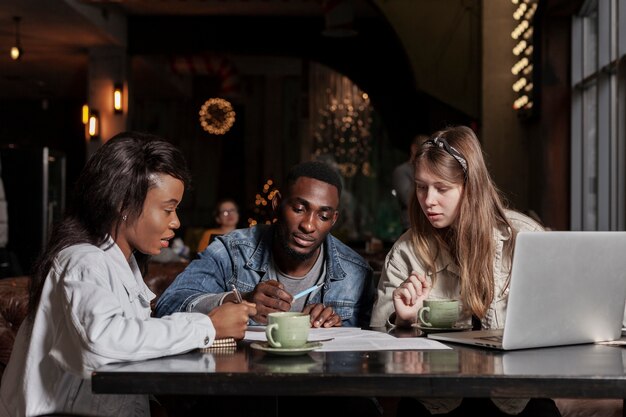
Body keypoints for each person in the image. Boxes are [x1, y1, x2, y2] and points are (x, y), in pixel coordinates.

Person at [0, 132, 255, 417]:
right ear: (122, 204)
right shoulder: (83, 260)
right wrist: (207, 327)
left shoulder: (124, 263)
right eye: (168, 209)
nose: (176, 222)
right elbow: (103, 341)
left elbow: (135, 342)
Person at [370, 126, 560, 416]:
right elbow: (376, 353)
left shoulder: (525, 238)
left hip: (516, 397)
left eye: (442, 188)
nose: (428, 200)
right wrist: (404, 321)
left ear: (471, 188)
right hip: (436, 401)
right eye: (421, 187)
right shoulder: (406, 251)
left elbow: (560, 324)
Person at [155, 160, 374, 328]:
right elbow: (167, 307)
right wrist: (238, 301)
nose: (308, 225)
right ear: (277, 204)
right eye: (299, 209)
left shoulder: (355, 272)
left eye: (323, 216)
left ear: (333, 220)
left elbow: (369, 347)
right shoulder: (231, 252)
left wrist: (335, 331)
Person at [392, 133, 429, 231]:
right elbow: (407, 199)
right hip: (411, 226)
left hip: (429, 225)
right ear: (413, 149)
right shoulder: (401, 171)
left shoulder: (431, 172)